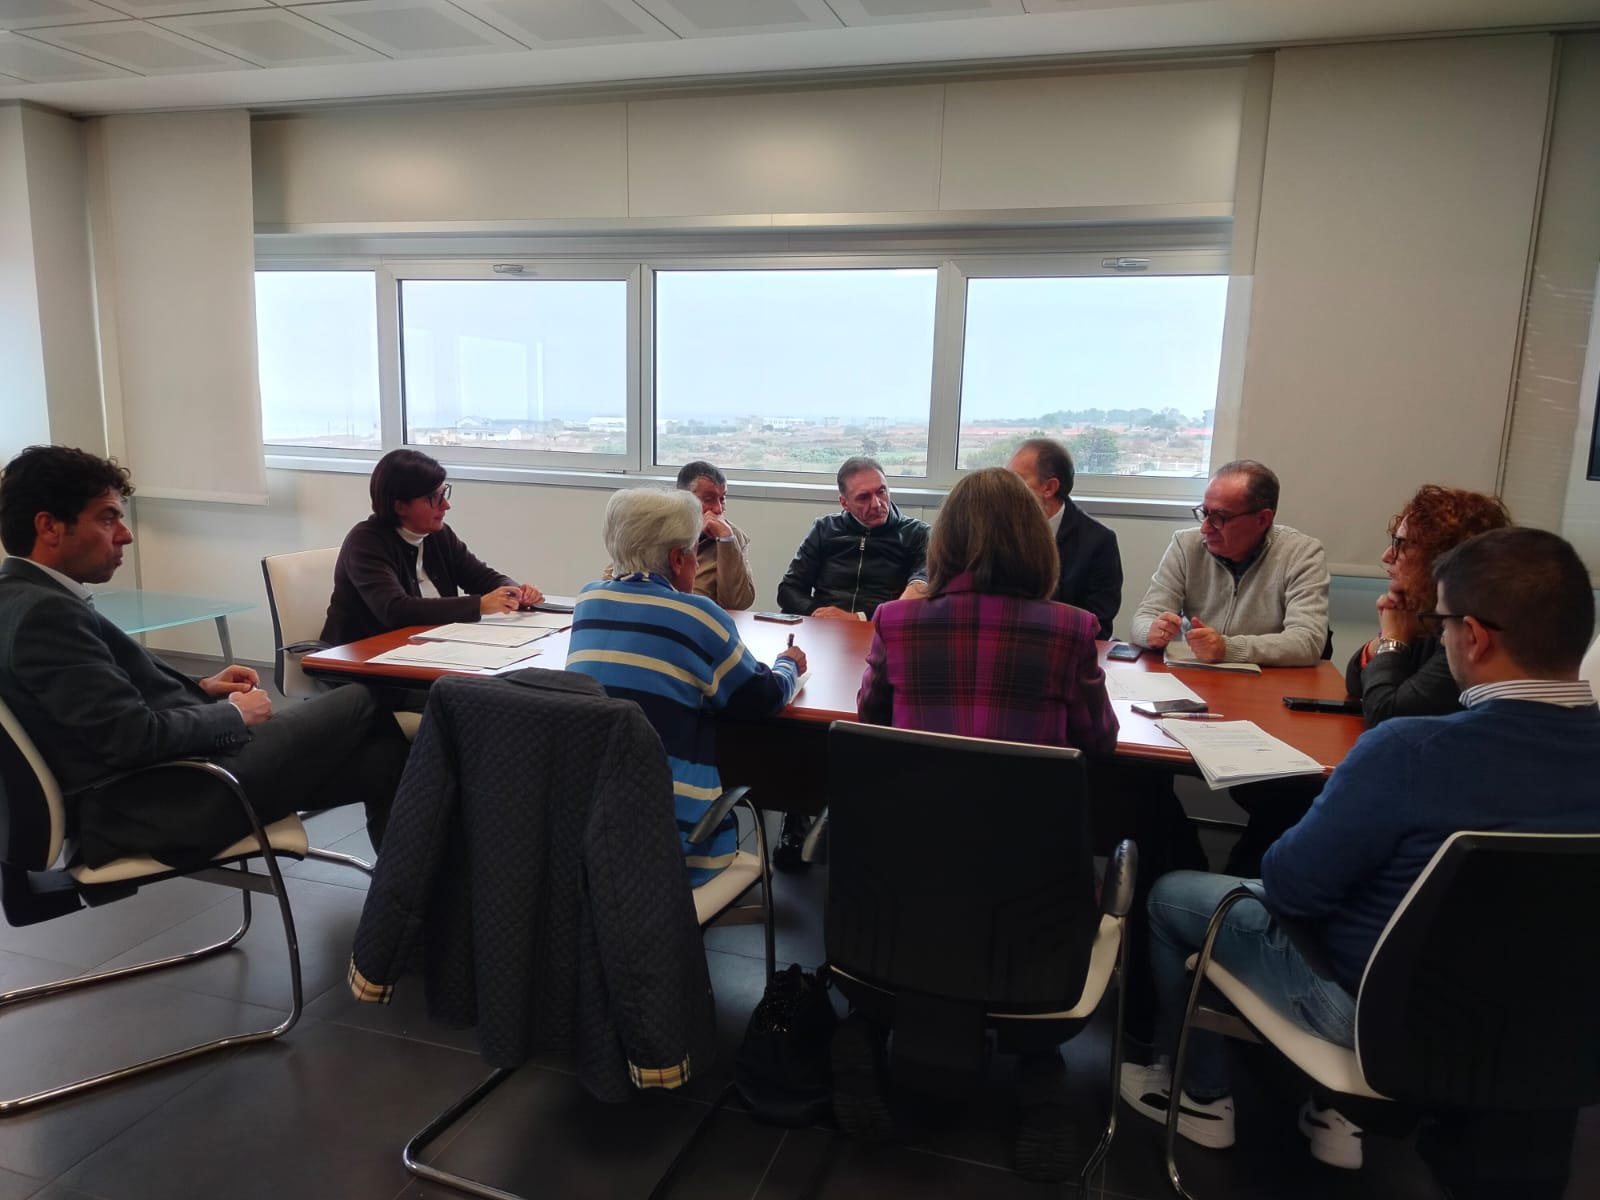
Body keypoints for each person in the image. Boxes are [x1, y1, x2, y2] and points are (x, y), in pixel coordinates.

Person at [1119, 527, 1600, 1173]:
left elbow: (1291, 886)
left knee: (1173, 894)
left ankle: (1202, 1097)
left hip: (1378, 1016)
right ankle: (1337, 1113)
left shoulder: (1409, 751)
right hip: (1557, 1031)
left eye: (1442, 623)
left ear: (1475, 637)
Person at [0, 445, 408, 868]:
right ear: (49, 527)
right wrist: (234, 714)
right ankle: (415, 893)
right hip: (174, 800)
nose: (126, 534)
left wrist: (202, 687)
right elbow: (132, 739)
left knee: (389, 759)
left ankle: (404, 893)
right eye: (107, 518)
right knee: (367, 695)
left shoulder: (21, 599)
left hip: (177, 783)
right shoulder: (46, 614)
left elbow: (95, 703)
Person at [565, 489, 807, 886]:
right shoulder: (697, 615)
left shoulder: (588, 600)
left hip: (588, 835)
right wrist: (788, 666)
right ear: (678, 559)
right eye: (695, 553)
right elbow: (762, 698)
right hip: (673, 847)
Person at [858, 467, 1117, 755]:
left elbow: (871, 718)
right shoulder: (1072, 629)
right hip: (1028, 784)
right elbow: (1099, 741)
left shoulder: (895, 621)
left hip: (920, 782)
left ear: (944, 541)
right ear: (1037, 541)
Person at [321, 448, 544, 646]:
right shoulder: (366, 542)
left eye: (443, 493)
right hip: (361, 660)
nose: (446, 505)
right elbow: (394, 610)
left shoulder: (438, 535)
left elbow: (481, 577)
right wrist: (479, 605)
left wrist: (513, 591)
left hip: (427, 648)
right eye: (434, 498)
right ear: (400, 506)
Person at [1132, 459, 1329, 666]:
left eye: (1220, 517)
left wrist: (1228, 648)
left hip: (1267, 678)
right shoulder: (1185, 545)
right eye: (1204, 513)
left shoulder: (1301, 553)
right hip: (1194, 673)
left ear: (1262, 519)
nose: (1205, 528)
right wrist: (1150, 632)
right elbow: (1144, 617)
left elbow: (1308, 641)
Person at [1346, 484, 1510, 725]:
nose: (1387, 555)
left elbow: (1387, 715)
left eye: (1401, 544)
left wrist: (1393, 639)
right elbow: (1355, 682)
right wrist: (1388, 640)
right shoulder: (1426, 610)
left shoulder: (1467, 630)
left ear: (1441, 556)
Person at [776, 456, 930, 620]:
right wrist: (818, 611)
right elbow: (789, 590)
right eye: (864, 497)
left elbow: (920, 592)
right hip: (827, 625)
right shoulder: (824, 529)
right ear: (845, 503)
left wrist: (859, 618)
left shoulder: (917, 534)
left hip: (880, 627)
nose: (877, 504)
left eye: (881, 491)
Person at [1006, 438, 1123, 640]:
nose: (1006, 488)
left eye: (1016, 480)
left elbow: (1099, 625)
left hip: (1063, 647)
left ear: (1049, 488)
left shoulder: (1098, 541)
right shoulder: (997, 529)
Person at [603, 461, 756, 609]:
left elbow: (737, 604)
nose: (718, 509)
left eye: (722, 499)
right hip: (652, 611)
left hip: (702, 618)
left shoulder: (730, 536)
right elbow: (613, 577)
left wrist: (727, 541)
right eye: (708, 499)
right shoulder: (660, 530)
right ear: (684, 500)